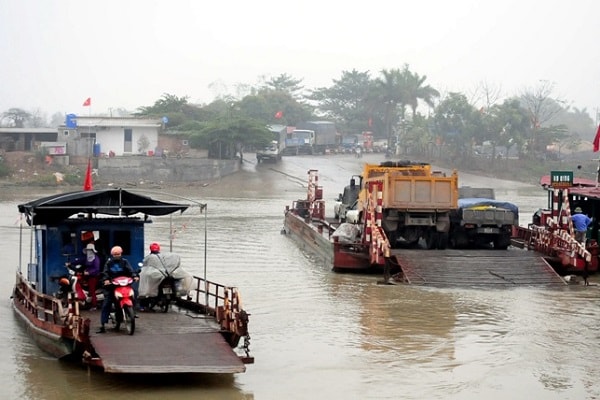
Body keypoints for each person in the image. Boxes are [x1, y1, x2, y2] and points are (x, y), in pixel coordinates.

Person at [96, 245, 139, 333]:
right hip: (112, 286)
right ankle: (103, 324)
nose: (116, 256)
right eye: (115, 254)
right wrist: (106, 280)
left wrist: (134, 276)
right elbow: (105, 272)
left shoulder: (125, 262)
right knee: (106, 303)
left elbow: (131, 270)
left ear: (121, 254)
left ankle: (133, 312)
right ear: (112, 255)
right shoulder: (109, 263)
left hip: (124, 285)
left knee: (134, 293)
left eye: (118, 254)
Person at [65, 243, 101, 309]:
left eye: (90, 250)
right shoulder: (87, 258)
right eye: (88, 250)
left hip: (93, 276)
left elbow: (97, 269)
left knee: (91, 290)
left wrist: (89, 272)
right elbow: (80, 261)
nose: (88, 252)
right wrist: (71, 263)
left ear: (93, 251)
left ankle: (94, 305)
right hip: (85, 274)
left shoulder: (96, 259)